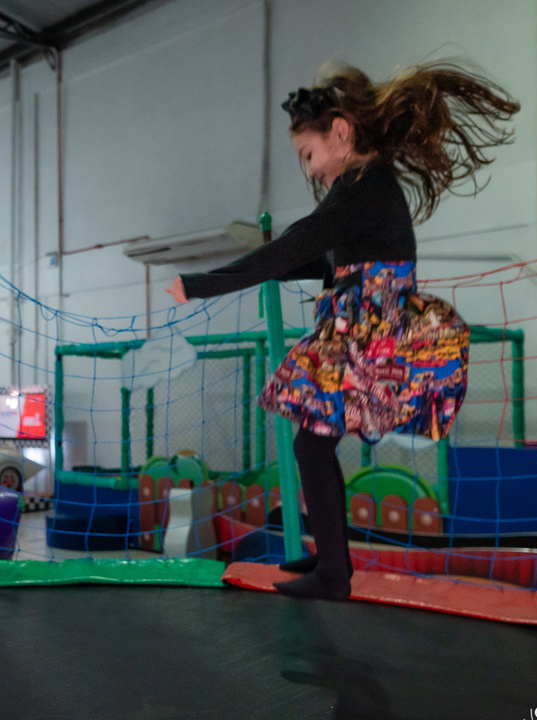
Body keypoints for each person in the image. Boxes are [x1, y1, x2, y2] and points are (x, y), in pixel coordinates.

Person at [168, 61, 519, 600]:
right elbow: (318, 260)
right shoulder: (361, 189)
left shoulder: (364, 188)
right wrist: (249, 272)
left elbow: (294, 245)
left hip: (376, 333)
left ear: (340, 132)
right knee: (313, 443)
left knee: (312, 445)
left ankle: (334, 571)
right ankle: (333, 559)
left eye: (308, 156)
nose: (308, 171)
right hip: (359, 323)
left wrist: (201, 284)